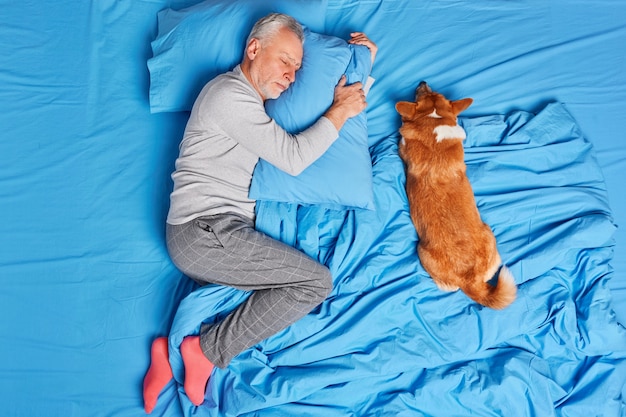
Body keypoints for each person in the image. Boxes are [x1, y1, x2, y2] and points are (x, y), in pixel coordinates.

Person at [142, 13, 377, 413]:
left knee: (266, 287)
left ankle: (169, 349)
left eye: (297, 68)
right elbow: (294, 156)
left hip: (217, 232)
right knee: (314, 284)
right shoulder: (229, 96)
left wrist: (363, 67)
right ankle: (205, 351)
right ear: (254, 49)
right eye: (285, 60)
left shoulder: (254, 103)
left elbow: (314, 100)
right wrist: (339, 113)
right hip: (203, 231)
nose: (291, 75)